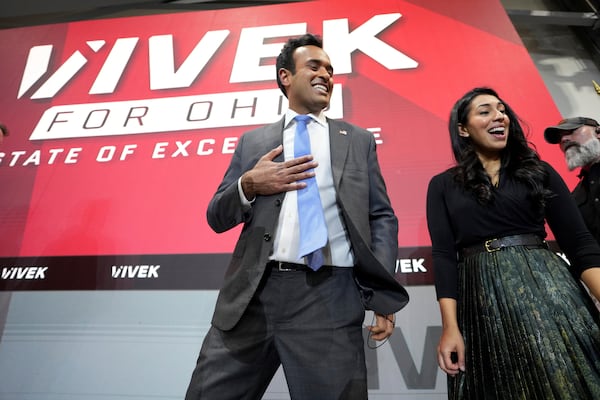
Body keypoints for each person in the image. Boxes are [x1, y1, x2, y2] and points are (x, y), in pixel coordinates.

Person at [185, 33, 409, 400]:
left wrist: (381, 295)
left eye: (331, 70)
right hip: (252, 296)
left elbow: (381, 217)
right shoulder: (254, 143)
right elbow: (217, 215)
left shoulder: (357, 140)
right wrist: (249, 184)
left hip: (330, 296)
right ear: (285, 77)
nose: (326, 75)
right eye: (315, 66)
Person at [426, 87, 600, 399]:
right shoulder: (442, 186)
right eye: (485, 111)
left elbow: (579, 243)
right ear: (463, 129)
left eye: (502, 110)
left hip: (548, 290)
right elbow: (443, 257)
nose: (499, 116)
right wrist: (450, 327)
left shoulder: (539, 172)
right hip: (479, 300)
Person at [544, 117, 600, 244]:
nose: (564, 139)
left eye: (571, 131)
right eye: (560, 138)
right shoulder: (575, 198)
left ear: (598, 133)